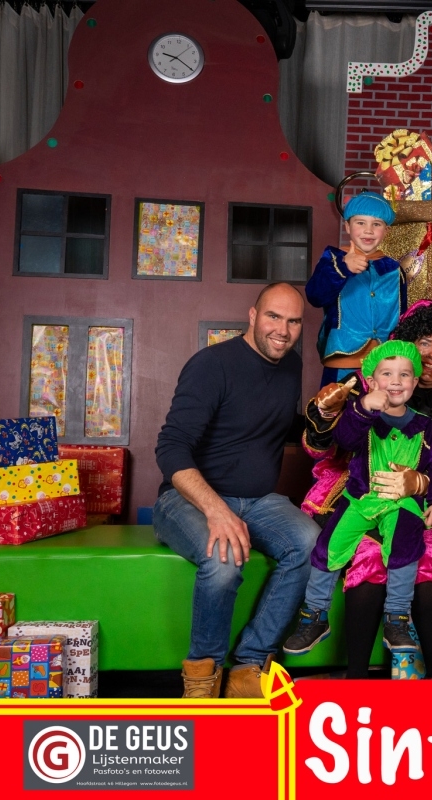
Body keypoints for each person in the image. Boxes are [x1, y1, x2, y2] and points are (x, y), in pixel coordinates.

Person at [289, 298, 432, 679]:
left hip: (414, 511)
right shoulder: (365, 393)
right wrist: (338, 410)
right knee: (367, 560)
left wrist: (421, 485)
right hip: (359, 500)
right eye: (425, 342)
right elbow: (328, 445)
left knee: (427, 567)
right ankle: (356, 676)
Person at [154, 282, 320, 699]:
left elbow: (275, 425)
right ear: (252, 315)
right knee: (224, 558)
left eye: (293, 321)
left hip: (259, 501)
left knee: (309, 543)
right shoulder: (211, 365)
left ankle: (249, 665)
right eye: (273, 317)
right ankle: (202, 676)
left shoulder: (291, 365)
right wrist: (216, 510)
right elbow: (171, 447)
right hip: (187, 499)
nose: (282, 330)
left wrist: (325, 419)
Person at [305, 192, 405, 386]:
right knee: (337, 405)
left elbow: (403, 315)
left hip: (385, 363)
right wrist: (343, 268)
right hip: (342, 359)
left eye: (376, 224)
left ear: (386, 231)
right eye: (360, 223)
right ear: (347, 226)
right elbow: (315, 296)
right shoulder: (334, 259)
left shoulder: (394, 270)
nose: (368, 230)